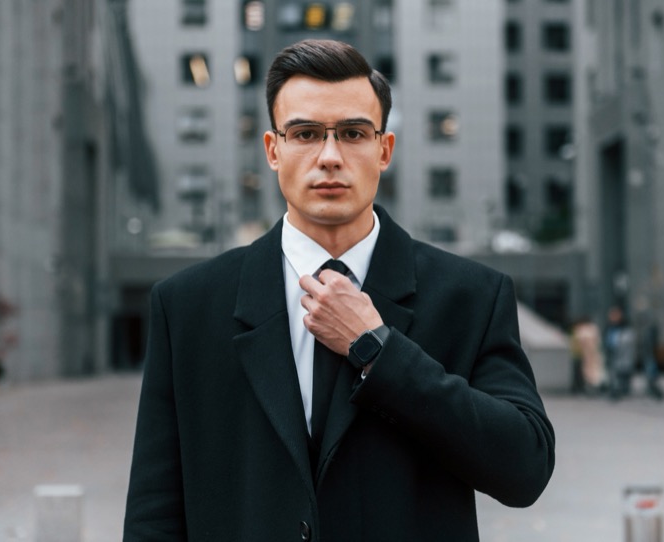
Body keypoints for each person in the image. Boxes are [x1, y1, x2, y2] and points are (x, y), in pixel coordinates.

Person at [123, 39, 555, 541]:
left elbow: (526, 467)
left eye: (352, 133)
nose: (329, 157)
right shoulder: (188, 305)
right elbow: (154, 510)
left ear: (384, 150)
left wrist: (380, 350)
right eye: (305, 133)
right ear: (273, 150)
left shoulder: (471, 297)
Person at [603, 305, 636, 400]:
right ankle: (615, 390)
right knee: (613, 373)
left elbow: (629, 341)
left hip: (622, 354)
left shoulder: (625, 327)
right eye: (612, 315)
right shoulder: (608, 327)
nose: (613, 317)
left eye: (615, 315)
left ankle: (622, 389)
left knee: (623, 373)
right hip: (612, 353)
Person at [569, 316, 605, 395]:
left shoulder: (584, 331)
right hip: (588, 355)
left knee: (590, 373)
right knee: (591, 373)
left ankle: (591, 389)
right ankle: (592, 389)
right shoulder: (592, 330)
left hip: (588, 355)